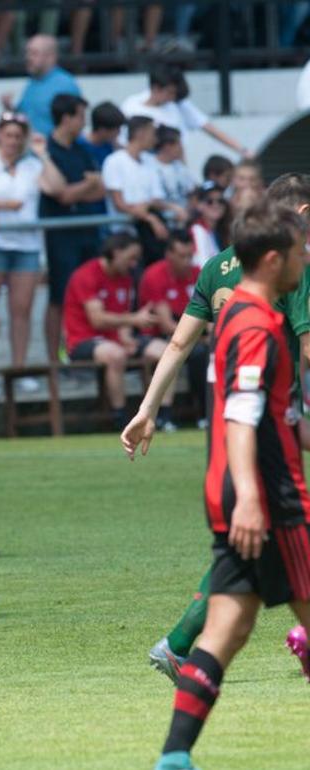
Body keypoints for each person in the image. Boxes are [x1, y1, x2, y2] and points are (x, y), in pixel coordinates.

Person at [122, 174, 310, 682]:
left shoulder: (219, 264)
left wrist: (147, 409)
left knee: (251, 543)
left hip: (227, 408)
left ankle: (182, 645)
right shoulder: (287, 264)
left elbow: (180, 344)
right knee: (268, 533)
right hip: (270, 413)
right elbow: (308, 347)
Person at [151, 202, 310, 770]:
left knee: (226, 630)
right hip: (269, 498)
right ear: (273, 259)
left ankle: (174, 757)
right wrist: (250, 497)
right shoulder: (256, 322)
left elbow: (264, 412)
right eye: (299, 250)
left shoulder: (242, 314)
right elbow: (241, 415)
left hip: (236, 491)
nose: (305, 258)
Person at [0, 113, 67, 375]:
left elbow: (57, 188)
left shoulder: (32, 165)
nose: (12, 140)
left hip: (26, 245)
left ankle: (19, 371)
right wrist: (4, 205)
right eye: (8, 135)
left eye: (18, 136)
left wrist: (42, 154)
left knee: (22, 311)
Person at [63, 233, 165, 429]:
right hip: (82, 341)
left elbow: (123, 313)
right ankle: (121, 418)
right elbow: (97, 320)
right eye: (131, 258)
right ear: (116, 253)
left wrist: (126, 336)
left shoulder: (126, 277)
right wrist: (134, 319)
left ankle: (161, 416)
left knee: (166, 352)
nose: (134, 264)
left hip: (114, 339)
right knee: (115, 355)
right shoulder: (86, 275)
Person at [41, 94, 106, 364]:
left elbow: (100, 189)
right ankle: (55, 360)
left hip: (87, 234)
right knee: (59, 296)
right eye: (80, 116)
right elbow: (62, 195)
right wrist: (85, 186)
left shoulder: (82, 149)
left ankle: (84, 352)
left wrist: (79, 189)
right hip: (61, 238)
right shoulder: (47, 150)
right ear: (66, 118)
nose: (84, 123)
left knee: (89, 294)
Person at [138, 229, 207, 426]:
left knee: (208, 351)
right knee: (190, 351)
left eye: (190, 255)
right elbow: (167, 325)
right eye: (181, 256)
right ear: (169, 255)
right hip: (155, 336)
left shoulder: (198, 274)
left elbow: (210, 312)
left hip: (190, 333)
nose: (187, 261)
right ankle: (164, 416)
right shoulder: (154, 276)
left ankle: (208, 414)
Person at [122, 64, 251, 158]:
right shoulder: (131, 106)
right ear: (156, 88)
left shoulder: (178, 104)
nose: (172, 97)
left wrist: (242, 150)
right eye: (170, 92)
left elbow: (209, 128)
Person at [103, 116, 183, 263]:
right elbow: (119, 203)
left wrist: (173, 208)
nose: (155, 139)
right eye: (153, 133)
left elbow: (156, 199)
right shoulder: (114, 161)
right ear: (141, 133)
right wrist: (149, 217)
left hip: (149, 235)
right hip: (124, 237)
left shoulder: (149, 161)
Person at [4, 34, 82, 138]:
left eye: (34, 53)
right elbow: (25, 117)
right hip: (28, 150)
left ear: (51, 57)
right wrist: (10, 108)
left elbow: (75, 124)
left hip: (52, 151)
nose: (28, 57)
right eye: (27, 53)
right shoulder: (32, 81)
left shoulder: (66, 85)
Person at [150, 126, 196, 213]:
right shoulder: (148, 165)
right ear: (167, 146)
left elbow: (193, 193)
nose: (181, 148)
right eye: (178, 144)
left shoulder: (182, 168)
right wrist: (174, 209)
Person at [188, 182, 228, 267]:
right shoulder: (197, 231)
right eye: (210, 201)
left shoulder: (219, 231)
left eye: (220, 201)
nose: (216, 205)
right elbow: (202, 266)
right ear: (199, 205)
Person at [82, 101, 126, 169]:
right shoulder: (81, 147)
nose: (119, 133)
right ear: (102, 130)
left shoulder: (111, 144)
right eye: (116, 129)